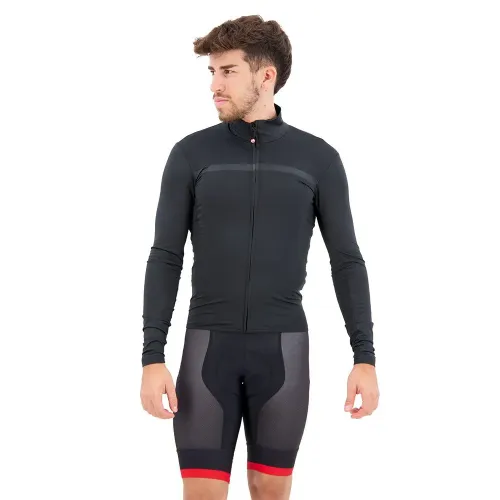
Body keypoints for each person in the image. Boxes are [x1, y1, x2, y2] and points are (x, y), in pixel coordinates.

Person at [140, 14, 379, 500]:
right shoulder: (190, 154)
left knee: (270, 489)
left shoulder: (318, 159)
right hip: (208, 350)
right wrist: (152, 357)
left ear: (265, 75)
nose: (214, 85)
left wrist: (365, 357)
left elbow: (346, 260)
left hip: (283, 352)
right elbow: (165, 256)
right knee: (202, 494)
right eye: (212, 72)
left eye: (227, 71)